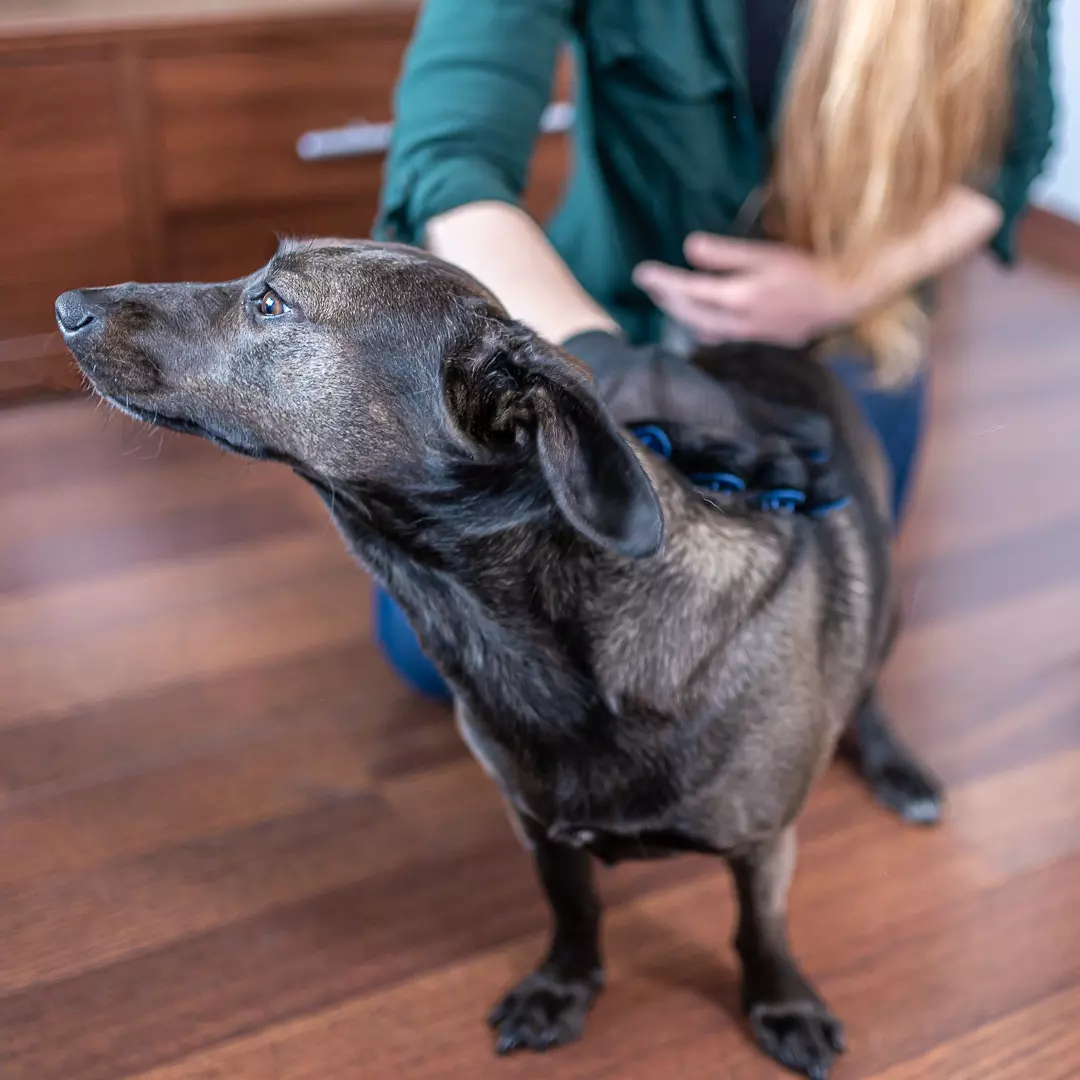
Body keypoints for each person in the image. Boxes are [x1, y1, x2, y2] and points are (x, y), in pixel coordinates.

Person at [371, 0, 1055, 698]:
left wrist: (843, 287)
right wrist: (597, 367)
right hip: (602, 311)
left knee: (808, 640)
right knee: (430, 651)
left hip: (850, 328)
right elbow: (450, 164)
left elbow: (1007, 160)